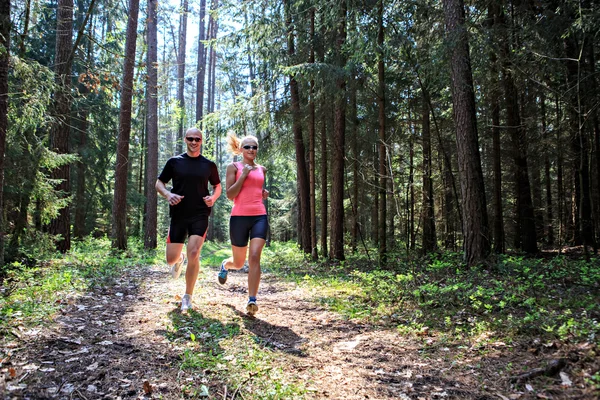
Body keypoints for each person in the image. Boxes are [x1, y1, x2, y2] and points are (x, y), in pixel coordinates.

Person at [156, 127, 221, 312]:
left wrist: (213, 198)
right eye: (190, 138)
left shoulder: (209, 165)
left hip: (200, 213)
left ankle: (187, 296)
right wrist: (168, 195)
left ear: (201, 141)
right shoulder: (174, 162)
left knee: (195, 253)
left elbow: (217, 186)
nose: (194, 142)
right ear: (185, 139)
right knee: (170, 260)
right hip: (178, 214)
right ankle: (179, 259)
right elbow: (159, 183)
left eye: (197, 139)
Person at [217, 132, 269, 316]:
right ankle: (226, 265)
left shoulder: (262, 169)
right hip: (239, 217)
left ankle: (252, 300)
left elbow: (256, 188)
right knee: (238, 263)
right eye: (247, 146)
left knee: (254, 256)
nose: (251, 150)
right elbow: (230, 195)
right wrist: (243, 175)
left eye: (254, 147)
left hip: (259, 216)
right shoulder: (233, 167)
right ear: (240, 149)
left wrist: (263, 193)